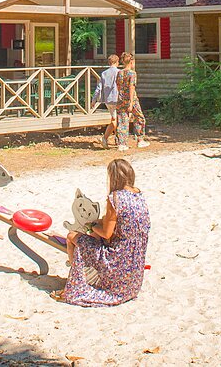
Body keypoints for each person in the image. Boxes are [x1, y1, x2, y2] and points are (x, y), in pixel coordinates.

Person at [53, 158, 150, 306]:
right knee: (92, 237)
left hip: (116, 261)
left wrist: (91, 225)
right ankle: (84, 279)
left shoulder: (115, 198)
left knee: (72, 236)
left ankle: (76, 285)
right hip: (133, 268)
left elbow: (106, 234)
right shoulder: (139, 195)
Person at [116, 53, 149, 150]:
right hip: (132, 100)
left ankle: (122, 143)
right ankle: (140, 140)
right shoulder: (132, 73)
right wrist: (131, 103)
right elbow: (131, 87)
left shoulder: (119, 73)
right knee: (139, 118)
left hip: (121, 99)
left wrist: (121, 96)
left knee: (122, 120)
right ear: (131, 61)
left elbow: (118, 86)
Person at [94, 54, 122, 149]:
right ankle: (108, 139)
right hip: (116, 99)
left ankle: (116, 139)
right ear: (116, 62)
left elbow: (99, 88)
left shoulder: (104, 73)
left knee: (114, 120)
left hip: (107, 100)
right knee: (115, 120)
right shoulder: (119, 72)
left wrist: (94, 99)